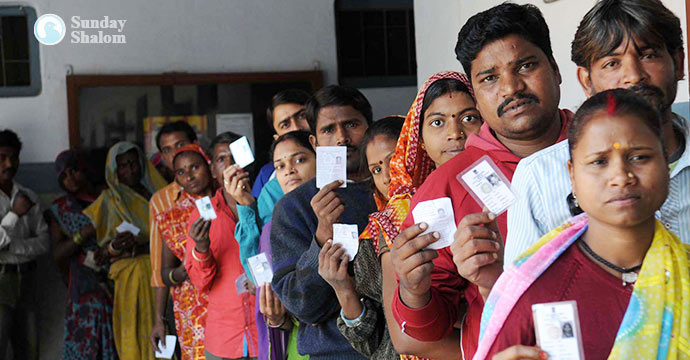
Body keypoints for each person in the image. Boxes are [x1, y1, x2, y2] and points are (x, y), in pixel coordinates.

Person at [390, 4, 573, 358]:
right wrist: (414, 289)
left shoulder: (602, 152)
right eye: (489, 78)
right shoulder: (444, 189)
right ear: (475, 91)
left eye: (525, 66)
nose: (511, 88)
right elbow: (428, 329)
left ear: (555, 69)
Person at [476, 89, 689, 360]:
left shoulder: (685, 272)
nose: (621, 177)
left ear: (666, 166)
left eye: (640, 157)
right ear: (572, 176)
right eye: (599, 162)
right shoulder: (533, 287)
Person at [505, 0, 690, 266]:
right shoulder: (539, 178)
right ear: (586, 80)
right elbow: (523, 293)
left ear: (679, 63)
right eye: (612, 63)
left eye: (648, 55)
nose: (634, 76)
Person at [355, 71, 483, 360]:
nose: (455, 133)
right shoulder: (403, 214)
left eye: (468, 118)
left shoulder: (503, 188)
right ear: (420, 140)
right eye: (438, 122)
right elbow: (405, 338)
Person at [270, 85, 375, 359]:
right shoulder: (294, 207)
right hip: (338, 352)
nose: (342, 138)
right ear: (315, 143)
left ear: (370, 129)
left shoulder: (394, 190)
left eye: (352, 124)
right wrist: (322, 237)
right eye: (329, 130)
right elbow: (301, 306)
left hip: (409, 347)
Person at [318, 115, 404, 359]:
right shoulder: (374, 237)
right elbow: (371, 344)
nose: (387, 177)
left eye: (395, 160)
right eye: (376, 169)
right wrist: (344, 289)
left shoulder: (458, 210)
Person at [83, 141, 166, 360]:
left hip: (161, 276)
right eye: (122, 166)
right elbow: (98, 253)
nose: (129, 170)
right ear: (113, 169)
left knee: (165, 338)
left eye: (133, 163)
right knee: (134, 339)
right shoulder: (110, 201)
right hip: (129, 281)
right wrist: (114, 247)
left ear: (142, 164)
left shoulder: (159, 194)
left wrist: (140, 245)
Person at [185, 132, 259, 360]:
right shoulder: (203, 213)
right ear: (214, 172)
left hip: (266, 330)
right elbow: (200, 282)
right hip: (225, 338)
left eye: (236, 156)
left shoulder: (266, 205)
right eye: (221, 159)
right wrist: (202, 249)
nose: (230, 165)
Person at [248, 130, 315, 360]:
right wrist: (277, 319)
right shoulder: (271, 229)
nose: (289, 170)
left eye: (300, 159)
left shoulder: (345, 211)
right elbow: (273, 308)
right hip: (300, 346)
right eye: (280, 166)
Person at [49, 150, 116, 360]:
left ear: (85, 169)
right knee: (84, 348)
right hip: (83, 289)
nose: (70, 179)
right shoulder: (62, 209)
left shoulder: (109, 198)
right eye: (64, 176)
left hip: (117, 280)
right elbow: (58, 254)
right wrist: (84, 234)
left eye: (74, 171)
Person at [154, 144, 215, 359]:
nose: (189, 176)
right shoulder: (171, 217)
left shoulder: (230, 201)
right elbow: (165, 273)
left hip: (228, 297)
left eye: (194, 167)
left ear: (208, 166)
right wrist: (181, 272)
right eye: (181, 172)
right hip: (193, 306)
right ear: (176, 179)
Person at [149, 120, 199, 350]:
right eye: (166, 150)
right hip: (183, 300)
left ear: (195, 145)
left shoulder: (219, 188)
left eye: (180, 144)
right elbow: (158, 266)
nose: (174, 154)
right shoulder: (160, 201)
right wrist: (159, 319)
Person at [0, 129, 49, 360]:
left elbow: (44, 243)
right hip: (1, 281)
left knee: (29, 352)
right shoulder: (22, 203)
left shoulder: (29, 195)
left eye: (14, 157)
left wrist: (9, 247)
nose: (9, 164)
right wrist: (14, 214)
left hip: (28, 281)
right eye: (2, 158)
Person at [252, 89, 312, 198]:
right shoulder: (268, 175)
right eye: (285, 125)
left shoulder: (343, 159)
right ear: (277, 138)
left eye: (302, 116)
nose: (296, 128)